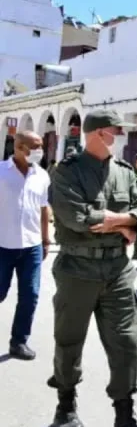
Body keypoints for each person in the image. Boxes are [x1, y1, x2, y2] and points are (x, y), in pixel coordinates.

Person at [48, 109, 137, 427]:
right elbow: (77, 218)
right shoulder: (66, 172)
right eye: (115, 132)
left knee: (126, 342)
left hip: (117, 270)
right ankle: (65, 404)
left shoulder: (125, 172)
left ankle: (124, 419)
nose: (119, 137)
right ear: (97, 134)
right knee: (69, 340)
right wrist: (122, 222)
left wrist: (119, 221)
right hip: (77, 269)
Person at [0, 130, 50, 361]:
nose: (40, 151)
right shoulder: (1, 172)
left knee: (30, 295)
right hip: (3, 245)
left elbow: (43, 209)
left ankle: (19, 341)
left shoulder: (42, 175)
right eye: (35, 147)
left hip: (32, 246)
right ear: (19, 147)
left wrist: (45, 238)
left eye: (41, 146)